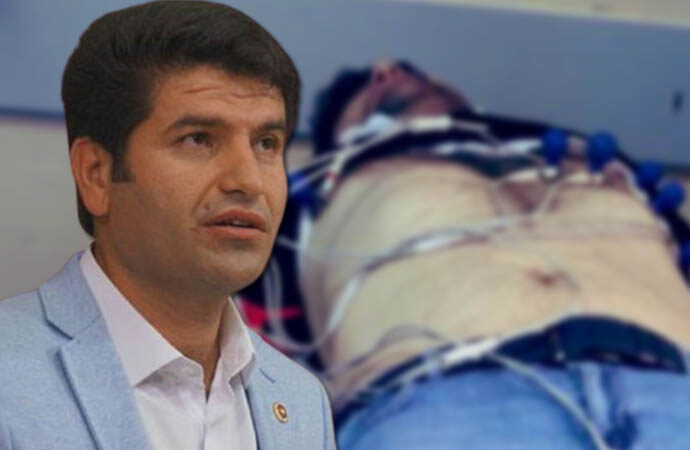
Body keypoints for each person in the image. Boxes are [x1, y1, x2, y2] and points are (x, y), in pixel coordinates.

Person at [249, 60, 690, 449]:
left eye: (411, 69)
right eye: (361, 86)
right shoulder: (299, 210)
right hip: (440, 405)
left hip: (674, 389)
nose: (385, 68)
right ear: (337, 138)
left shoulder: (596, 164)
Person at [0, 2, 336, 449]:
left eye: (266, 143)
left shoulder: (301, 400)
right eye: (198, 139)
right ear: (96, 174)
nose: (249, 181)